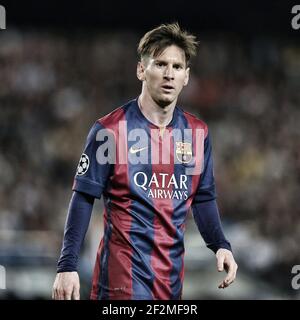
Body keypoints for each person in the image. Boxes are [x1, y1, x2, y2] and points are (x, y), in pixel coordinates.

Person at [52, 22, 238, 300]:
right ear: (141, 69)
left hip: (170, 284)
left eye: (177, 67)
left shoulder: (197, 134)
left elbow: (202, 198)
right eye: (160, 64)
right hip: (120, 283)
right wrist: (67, 266)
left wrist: (220, 245)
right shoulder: (110, 131)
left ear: (186, 76)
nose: (169, 74)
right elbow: (83, 197)